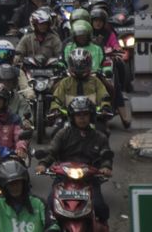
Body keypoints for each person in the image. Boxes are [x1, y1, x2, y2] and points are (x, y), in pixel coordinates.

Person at [35, 96, 113, 226]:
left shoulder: (100, 137)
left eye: (85, 114)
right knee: (49, 206)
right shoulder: (63, 134)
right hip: (63, 178)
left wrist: (106, 167)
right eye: (78, 114)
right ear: (72, 116)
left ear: (91, 116)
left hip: (89, 179)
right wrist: (43, 164)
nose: (82, 118)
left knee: (100, 208)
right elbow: (52, 151)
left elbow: (106, 155)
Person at [0, 160, 60, 232]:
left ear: (24, 183)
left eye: (18, 183)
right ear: (4, 186)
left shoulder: (39, 203)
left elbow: (53, 226)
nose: (15, 187)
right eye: (11, 184)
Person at [51, 48, 112, 130]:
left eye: (82, 65)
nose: (78, 68)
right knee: (56, 132)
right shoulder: (65, 82)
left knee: (103, 131)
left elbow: (104, 96)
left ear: (89, 64)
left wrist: (105, 107)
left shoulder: (95, 81)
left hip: (92, 117)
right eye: (75, 65)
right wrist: (55, 109)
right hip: (69, 118)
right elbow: (56, 99)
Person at [91, 7, 132, 127]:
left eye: (100, 21)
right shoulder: (87, 34)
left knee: (115, 84)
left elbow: (116, 46)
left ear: (104, 22)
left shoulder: (109, 34)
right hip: (89, 64)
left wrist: (116, 50)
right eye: (95, 20)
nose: (97, 23)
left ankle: (124, 116)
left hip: (106, 63)